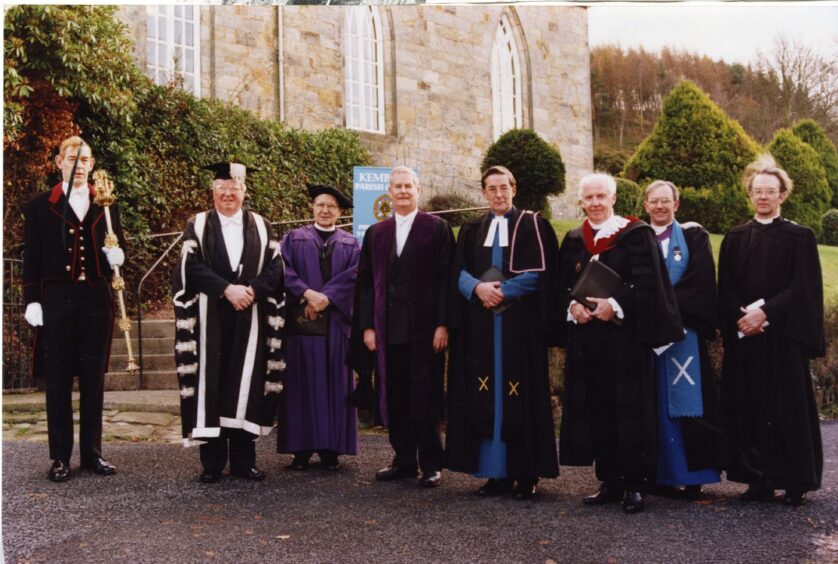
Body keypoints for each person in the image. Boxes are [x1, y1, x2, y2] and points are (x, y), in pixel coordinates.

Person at [556, 173, 682, 513]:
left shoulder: (635, 235)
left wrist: (616, 305)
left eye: (601, 196)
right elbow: (562, 284)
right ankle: (609, 480)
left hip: (625, 339)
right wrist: (573, 306)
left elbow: (650, 283)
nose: (595, 203)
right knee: (597, 406)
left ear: (613, 199)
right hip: (588, 340)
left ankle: (635, 485)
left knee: (630, 410)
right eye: (589, 197)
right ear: (580, 201)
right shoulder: (574, 239)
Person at [445, 166, 560, 500]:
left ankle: (526, 474)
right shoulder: (471, 228)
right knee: (484, 392)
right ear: (483, 193)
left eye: (503, 187)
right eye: (491, 188)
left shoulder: (533, 225)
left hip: (519, 326)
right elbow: (458, 271)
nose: (498, 194)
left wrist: (503, 291)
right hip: (481, 325)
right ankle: (494, 473)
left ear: (514, 188)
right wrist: (478, 289)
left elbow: (541, 273)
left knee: (519, 393)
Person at [718, 155, 824, 507]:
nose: (763, 197)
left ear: (782, 195)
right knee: (750, 407)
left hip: (782, 338)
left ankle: (794, 482)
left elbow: (802, 287)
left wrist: (764, 313)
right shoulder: (735, 237)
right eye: (757, 191)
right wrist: (742, 317)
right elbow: (727, 286)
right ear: (750, 195)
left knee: (786, 409)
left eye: (770, 191)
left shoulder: (799, 237)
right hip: (747, 339)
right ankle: (757, 479)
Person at [171, 161, 286, 483]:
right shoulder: (197, 224)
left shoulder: (263, 226)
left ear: (244, 192)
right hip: (211, 317)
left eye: (234, 188)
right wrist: (226, 289)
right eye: (222, 188)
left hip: (251, 315)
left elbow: (276, 269)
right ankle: (212, 463)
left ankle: (243, 462)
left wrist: (251, 291)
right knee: (213, 386)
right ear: (213, 192)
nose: (228, 194)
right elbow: (189, 266)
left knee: (246, 385)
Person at [23, 135, 127, 482]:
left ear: (91, 165)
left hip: (96, 300)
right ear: (58, 163)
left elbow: (118, 244)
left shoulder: (106, 204)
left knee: (93, 381)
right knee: (58, 381)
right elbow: (32, 257)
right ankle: (59, 458)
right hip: (57, 301)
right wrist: (32, 300)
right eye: (72, 159)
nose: (78, 165)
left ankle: (93, 454)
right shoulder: (40, 205)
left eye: (84, 160)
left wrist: (118, 256)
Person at [355, 166, 455, 488]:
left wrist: (443, 323)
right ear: (389, 190)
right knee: (395, 395)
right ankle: (403, 460)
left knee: (424, 397)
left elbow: (446, 280)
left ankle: (431, 463)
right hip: (388, 329)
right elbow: (366, 284)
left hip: (426, 330)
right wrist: (368, 326)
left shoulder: (436, 228)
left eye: (407, 186)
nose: (402, 191)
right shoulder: (377, 233)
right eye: (396, 186)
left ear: (418, 189)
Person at [643, 180, 724, 499]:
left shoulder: (693, 235)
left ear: (677, 204)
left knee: (687, 403)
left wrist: (665, 312)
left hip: (684, 333)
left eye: (666, 201)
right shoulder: (637, 238)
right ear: (646, 205)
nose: (660, 206)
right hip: (648, 337)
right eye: (654, 201)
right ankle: (657, 475)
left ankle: (692, 476)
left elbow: (700, 281)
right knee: (652, 404)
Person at [277, 185, 361, 471]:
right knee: (301, 383)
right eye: (320, 205)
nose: (325, 210)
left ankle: (331, 450)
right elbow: (283, 270)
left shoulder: (351, 243)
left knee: (335, 385)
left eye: (331, 207)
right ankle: (300, 450)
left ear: (339, 212)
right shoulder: (293, 238)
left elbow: (356, 276)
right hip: (303, 323)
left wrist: (327, 297)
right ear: (312, 207)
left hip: (337, 324)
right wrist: (307, 294)